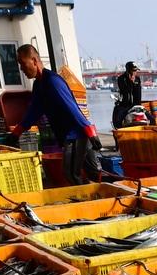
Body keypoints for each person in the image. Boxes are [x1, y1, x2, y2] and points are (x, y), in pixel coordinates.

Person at [9, 44, 101, 185]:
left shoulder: (52, 81)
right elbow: (33, 112)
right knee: (92, 173)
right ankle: (100, 199)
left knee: (71, 174)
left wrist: (90, 132)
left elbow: (72, 108)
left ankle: (88, 202)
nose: (21, 69)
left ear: (34, 61)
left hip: (76, 135)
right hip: (73, 135)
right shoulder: (39, 85)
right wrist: (16, 133)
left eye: (22, 64)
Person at [113, 61, 142, 128]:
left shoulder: (137, 79)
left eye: (136, 70)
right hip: (125, 105)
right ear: (128, 70)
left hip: (137, 106)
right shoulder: (121, 79)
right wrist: (131, 82)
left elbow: (138, 93)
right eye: (133, 70)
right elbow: (125, 91)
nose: (135, 72)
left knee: (151, 119)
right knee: (118, 121)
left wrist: (138, 106)